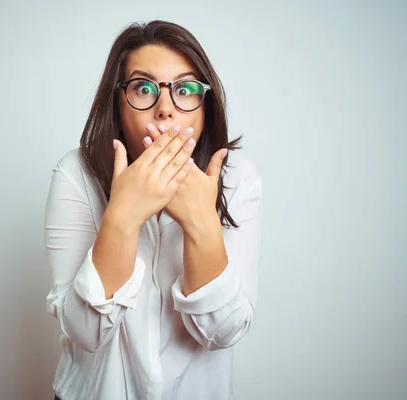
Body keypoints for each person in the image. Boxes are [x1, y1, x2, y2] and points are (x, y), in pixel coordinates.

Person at [44, 20, 263, 400]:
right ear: (117, 102)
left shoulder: (237, 178)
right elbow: (85, 332)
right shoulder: (76, 173)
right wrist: (123, 216)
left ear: (204, 105)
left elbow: (223, 333)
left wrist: (200, 222)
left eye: (185, 89)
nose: (165, 110)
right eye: (143, 88)